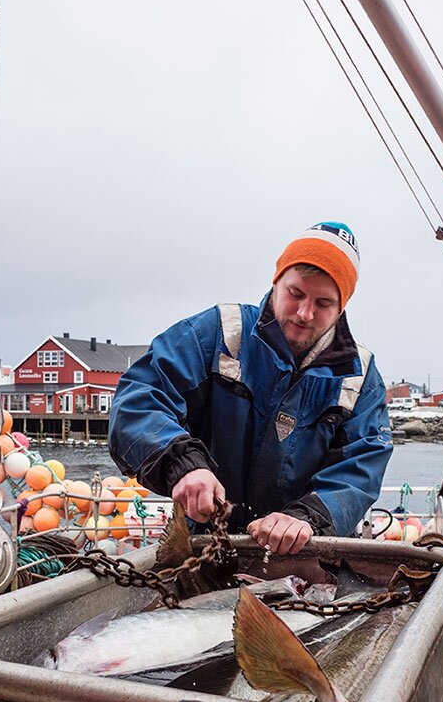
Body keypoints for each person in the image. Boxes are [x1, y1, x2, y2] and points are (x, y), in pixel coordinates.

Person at [109, 222, 393, 555]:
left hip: (301, 555)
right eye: (296, 293)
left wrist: (308, 517)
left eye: (323, 303)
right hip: (202, 544)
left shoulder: (359, 378)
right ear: (276, 282)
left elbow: (362, 466)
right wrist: (184, 465)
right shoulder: (218, 334)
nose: (304, 313)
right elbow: (139, 400)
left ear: (341, 307)